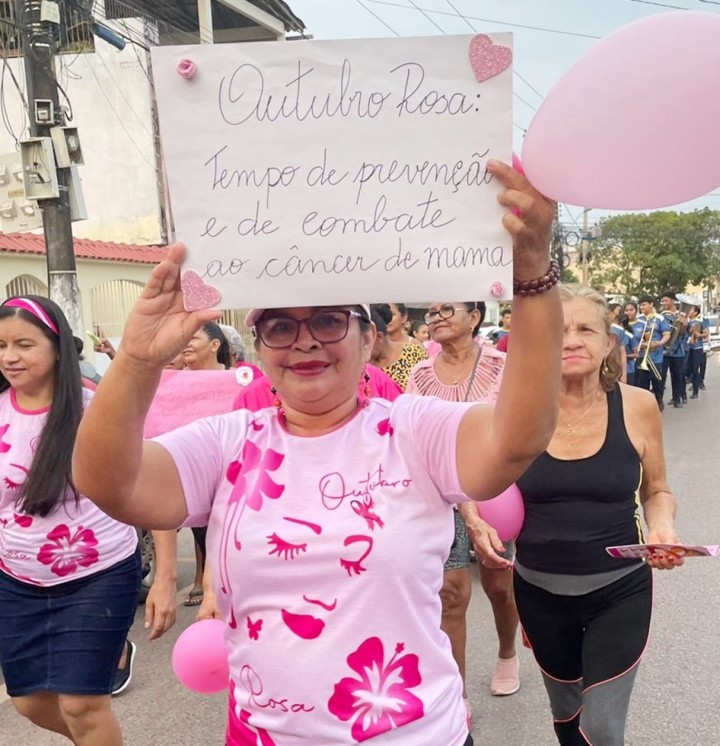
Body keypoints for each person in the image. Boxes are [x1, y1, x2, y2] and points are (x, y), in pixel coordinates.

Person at [72, 160, 562, 746]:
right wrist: (137, 357)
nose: (304, 340)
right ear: (260, 346)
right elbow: (107, 481)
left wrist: (532, 272)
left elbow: (518, 437)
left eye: (329, 320)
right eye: (280, 326)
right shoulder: (227, 442)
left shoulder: (413, 430)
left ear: (368, 337)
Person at [482, 284, 681, 746]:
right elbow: (476, 482)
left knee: (604, 729)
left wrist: (663, 526)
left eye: (586, 329)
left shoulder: (638, 405)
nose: (571, 340)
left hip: (620, 587)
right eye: (559, 329)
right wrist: (476, 521)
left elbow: (657, 488)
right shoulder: (514, 412)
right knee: (568, 717)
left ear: (609, 341)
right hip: (538, 589)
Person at [0, 296, 140, 746]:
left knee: (81, 704)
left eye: (24, 344)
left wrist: (161, 585)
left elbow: (145, 480)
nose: (9, 357)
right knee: (29, 701)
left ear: (58, 348)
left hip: (98, 573)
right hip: (16, 578)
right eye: (1, 346)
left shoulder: (92, 407)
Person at [405, 301, 520, 721]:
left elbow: (516, 427)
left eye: (446, 310)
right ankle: (457, 693)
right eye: (431, 312)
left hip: (496, 490)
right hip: (441, 495)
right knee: (451, 595)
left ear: (474, 318)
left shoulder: (504, 366)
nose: (434, 318)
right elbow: (414, 435)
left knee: (499, 586)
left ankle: (508, 652)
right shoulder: (418, 374)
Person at [182, 321, 232, 606]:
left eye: (195, 338)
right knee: (200, 530)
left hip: (228, 472)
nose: (187, 343)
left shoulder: (237, 380)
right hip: (193, 472)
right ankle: (206, 581)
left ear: (215, 345)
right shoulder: (173, 382)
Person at [370, 304, 429, 390]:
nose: (363, 349)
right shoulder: (362, 365)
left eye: (366, 342)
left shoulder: (414, 352)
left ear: (379, 337)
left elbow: (428, 388)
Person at [634, 295, 671, 410]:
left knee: (657, 379)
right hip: (641, 355)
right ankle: (644, 403)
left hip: (656, 356)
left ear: (651, 305)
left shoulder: (659, 318)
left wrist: (659, 343)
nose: (641, 307)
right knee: (642, 381)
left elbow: (666, 335)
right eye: (640, 305)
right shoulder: (638, 319)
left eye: (644, 304)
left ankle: (659, 399)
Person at [659, 292, 688, 408]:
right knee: (661, 376)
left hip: (677, 351)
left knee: (678, 376)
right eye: (662, 301)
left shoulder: (680, 315)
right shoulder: (661, 316)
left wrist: (684, 325)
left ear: (672, 301)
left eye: (666, 301)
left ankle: (677, 398)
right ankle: (659, 399)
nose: (664, 303)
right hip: (663, 351)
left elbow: (681, 333)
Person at [686, 305, 709, 399]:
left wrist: (697, 335)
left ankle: (696, 390)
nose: (688, 311)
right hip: (687, 348)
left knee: (695, 369)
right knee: (688, 369)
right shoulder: (686, 322)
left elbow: (706, 334)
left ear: (695, 312)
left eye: (690, 310)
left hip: (697, 348)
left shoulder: (700, 321)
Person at [623, 301, 643, 386]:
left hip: (638, 360)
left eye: (631, 310)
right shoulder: (620, 327)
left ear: (636, 310)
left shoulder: (642, 324)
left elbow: (647, 340)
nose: (629, 312)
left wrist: (642, 345)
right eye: (626, 310)